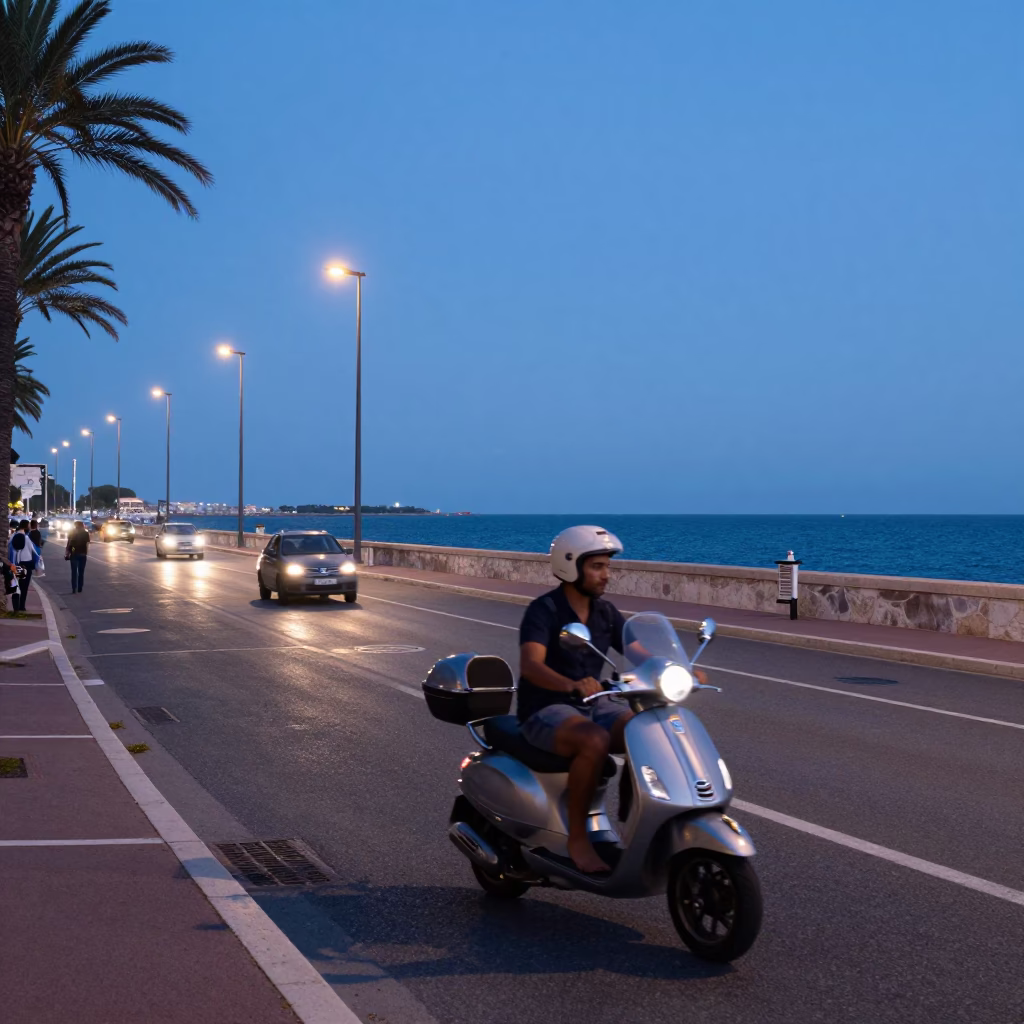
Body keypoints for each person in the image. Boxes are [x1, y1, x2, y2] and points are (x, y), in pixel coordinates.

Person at [517, 525, 634, 874]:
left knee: (642, 727)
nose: (606, 575)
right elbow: (531, 666)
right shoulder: (545, 610)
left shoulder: (605, 613)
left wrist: (678, 668)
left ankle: (640, 820)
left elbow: (640, 649)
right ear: (571, 566)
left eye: (608, 567)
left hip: (592, 704)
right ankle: (578, 839)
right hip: (544, 709)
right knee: (594, 740)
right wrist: (571, 685)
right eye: (597, 567)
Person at [8, 519, 40, 611]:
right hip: (26, 564)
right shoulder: (26, 538)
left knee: (15, 585)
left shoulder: (13, 536)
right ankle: (22, 606)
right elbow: (34, 551)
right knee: (24, 587)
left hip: (15, 564)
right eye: (29, 525)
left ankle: (15, 607)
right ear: (26, 527)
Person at [66, 520, 90, 594]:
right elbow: (87, 544)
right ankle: (80, 587)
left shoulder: (71, 533)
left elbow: (68, 543)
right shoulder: (86, 533)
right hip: (82, 554)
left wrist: (67, 553)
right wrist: (86, 552)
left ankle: (74, 588)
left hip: (74, 553)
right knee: (81, 572)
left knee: (74, 572)